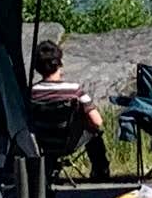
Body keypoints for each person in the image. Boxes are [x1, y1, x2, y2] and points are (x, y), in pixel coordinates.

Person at [27, 31, 109, 181]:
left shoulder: (30, 93)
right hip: (67, 142)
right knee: (95, 131)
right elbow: (98, 121)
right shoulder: (74, 90)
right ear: (59, 63)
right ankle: (100, 172)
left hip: (41, 143)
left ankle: (46, 169)